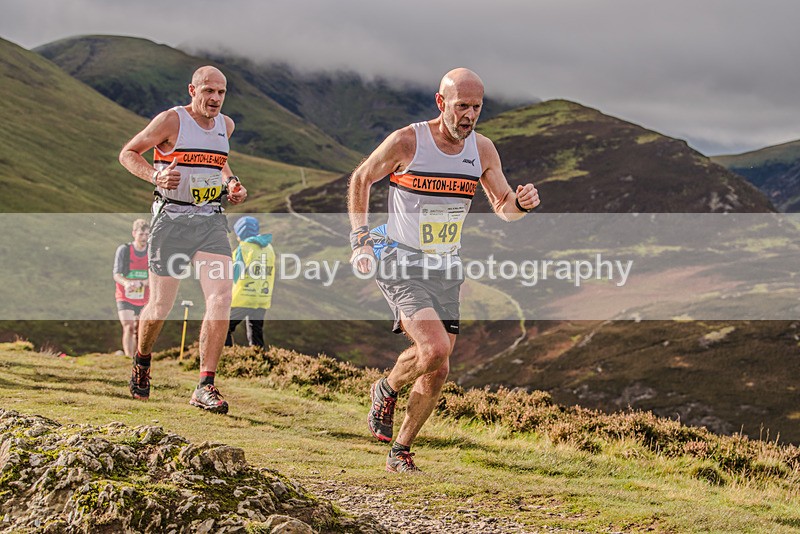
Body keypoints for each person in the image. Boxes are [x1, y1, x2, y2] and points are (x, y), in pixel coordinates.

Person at [347, 68, 540, 472]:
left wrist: (520, 204)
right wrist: (360, 236)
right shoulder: (408, 141)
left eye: (476, 107)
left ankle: (399, 446)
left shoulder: (483, 150)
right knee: (433, 349)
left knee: (439, 366)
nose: (468, 116)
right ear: (441, 103)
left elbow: (503, 206)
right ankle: (386, 390)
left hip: (445, 264)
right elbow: (362, 177)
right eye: (461, 106)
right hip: (399, 258)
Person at [118, 65, 247, 414]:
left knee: (221, 298)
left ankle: (205, 385)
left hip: (210, 221)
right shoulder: (171, 121)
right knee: (161, 306)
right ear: (193, 90)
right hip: (171, 221)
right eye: (208, 91)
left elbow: (220, 163)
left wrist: (232, 183)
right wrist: (156, 174)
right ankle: (142, 361)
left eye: (221, 92)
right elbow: (128, 153)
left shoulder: (226, 126)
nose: (215, 99)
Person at [225, 216, 276, 348]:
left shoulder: (244, 248)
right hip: (262, 298)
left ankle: (227, 357)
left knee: (224, 327)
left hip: (243, 298)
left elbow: (234, 274)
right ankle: (259, 361)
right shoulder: (269, 248)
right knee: (256, 332)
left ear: (241, 234)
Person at [113, 219, 150, 357]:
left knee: (140, 329)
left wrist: (143, 283)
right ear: (134, 233)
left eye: (147, 234)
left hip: (145, 296)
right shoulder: (124, 250)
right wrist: (127, 283)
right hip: (125, 294)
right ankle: (128, 358)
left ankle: (138, 358)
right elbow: (116, 274)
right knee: (128, 326)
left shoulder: (152, 252)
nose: (144, 238)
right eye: (141, 234)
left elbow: (156, 277)